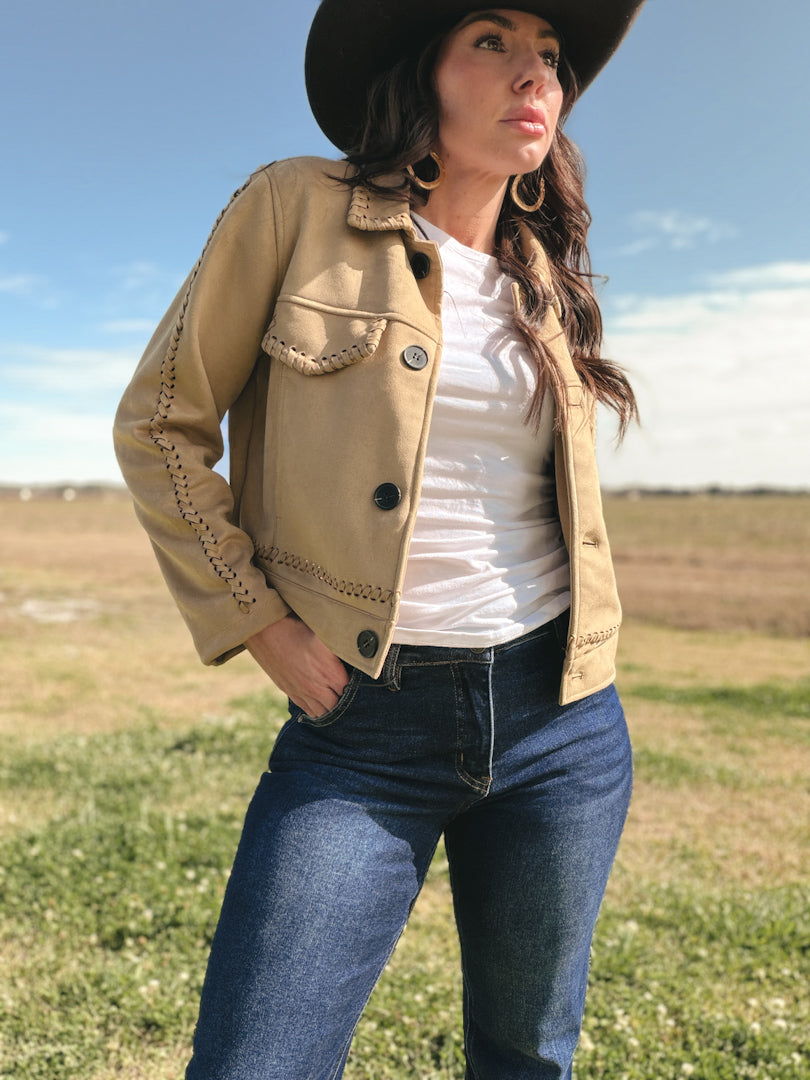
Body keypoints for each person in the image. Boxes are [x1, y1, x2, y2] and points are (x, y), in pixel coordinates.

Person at [114, 2, 646, 1076]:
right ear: (423, 75)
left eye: (548, 54)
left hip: (565, 727)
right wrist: (258, 623)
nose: (533, 72)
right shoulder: (296, 208)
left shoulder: (546, 280)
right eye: (491, 41)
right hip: (365, 727)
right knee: (256, 1062)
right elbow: (161, 422)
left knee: (527, 1053)